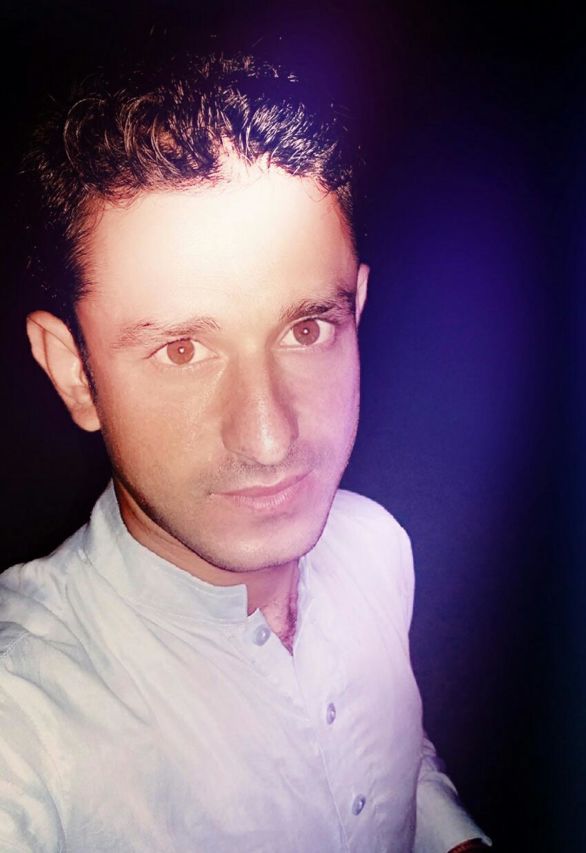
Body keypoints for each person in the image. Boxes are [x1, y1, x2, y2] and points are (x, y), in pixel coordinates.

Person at [0, 45, 491, 852]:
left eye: (307, 327)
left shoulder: (376, 544)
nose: (269, 438)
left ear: (357, 309)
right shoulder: (26, 719)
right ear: (74, 373)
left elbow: (393, 757)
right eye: (182, 349)